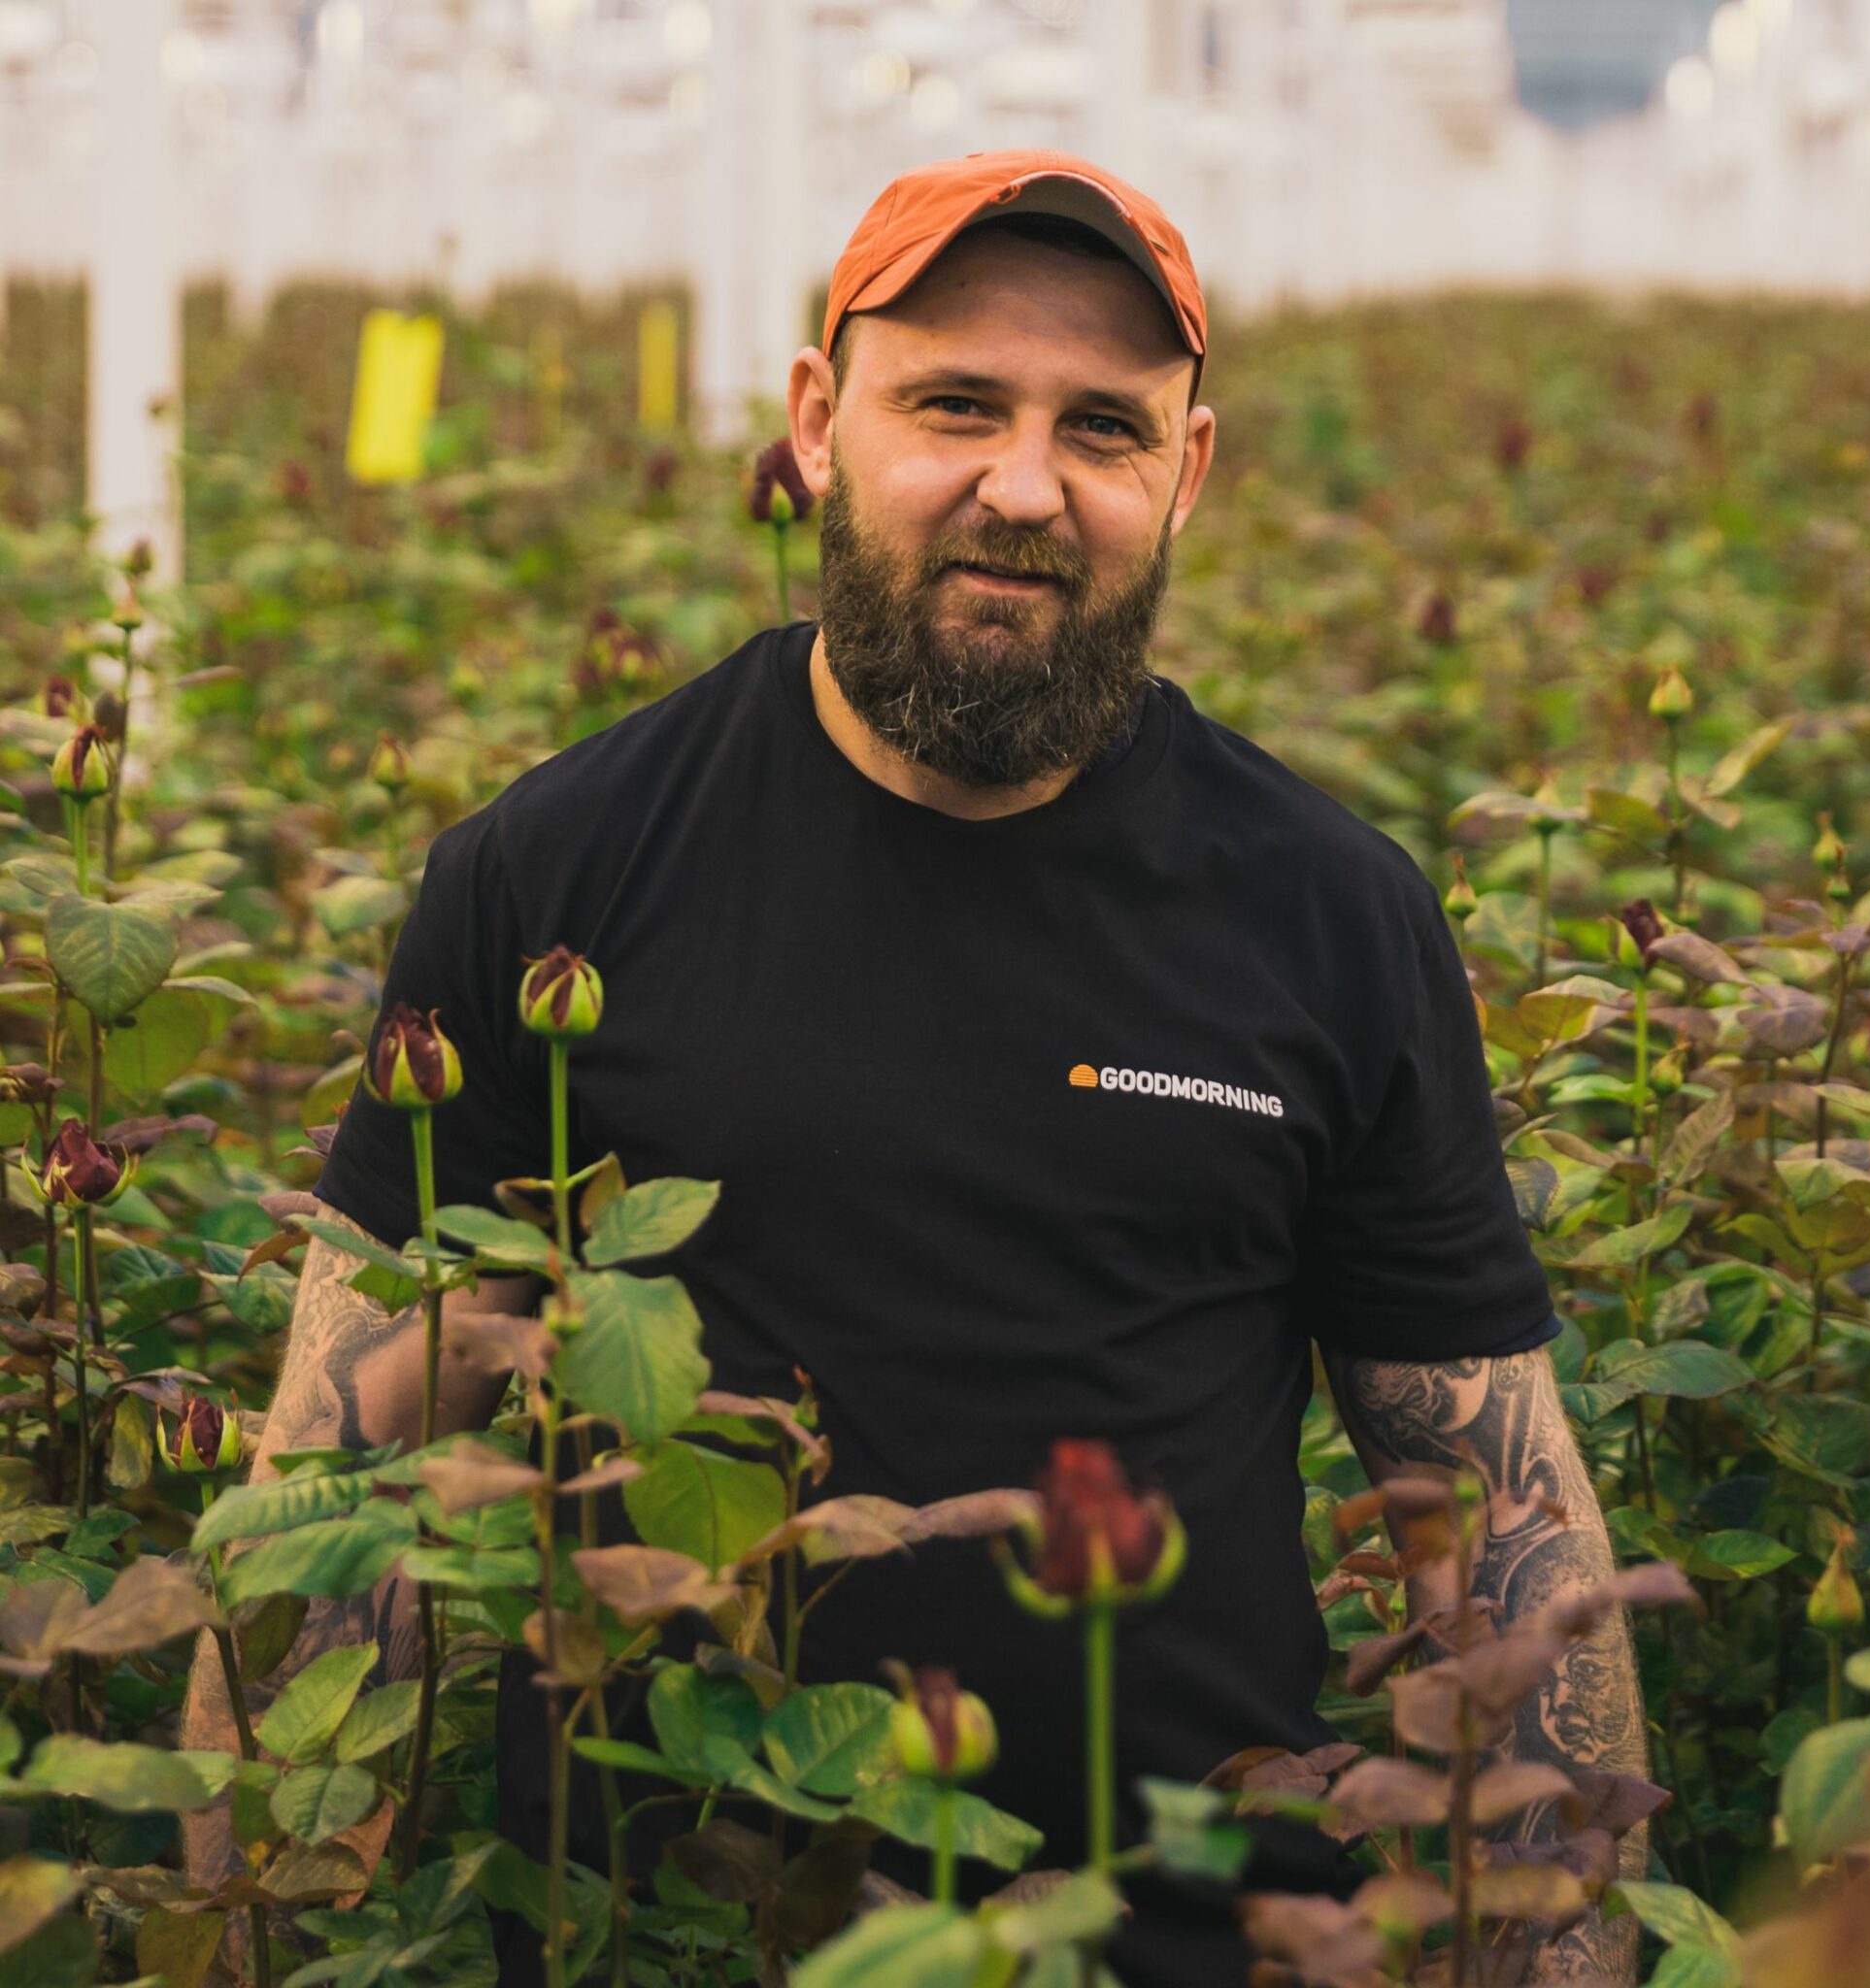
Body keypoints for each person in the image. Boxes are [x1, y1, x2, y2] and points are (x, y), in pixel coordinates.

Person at [184, 150, 1647, 1985]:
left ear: (1187, 473)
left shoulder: (1328, 916)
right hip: (669, 1940)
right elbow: (345, 1480)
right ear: (817, 424)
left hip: (1181, 1944)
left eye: (1102, 427)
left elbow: (1502, 1533)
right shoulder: (561, 874)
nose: (1023, 486)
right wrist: (249, 1927)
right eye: (955, 403)